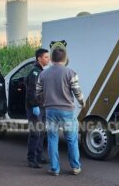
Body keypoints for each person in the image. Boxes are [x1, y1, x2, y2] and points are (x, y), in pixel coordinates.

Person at [36, 47, 84, 176]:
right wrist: (82, 103)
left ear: (51, 59)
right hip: (67, 111)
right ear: (65, 59)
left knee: (52, 139)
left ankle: (54, 168)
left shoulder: (43, 74)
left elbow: (38, 93)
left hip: (50, 111)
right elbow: (77, 92)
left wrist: (43, 104)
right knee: (71, 139)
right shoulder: (71, 73)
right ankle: (75, 167)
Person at [25, 48, 50, 169]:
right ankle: (31, 159)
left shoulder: (41, 71)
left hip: (42, 107)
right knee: (35, 133)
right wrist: (35, 105)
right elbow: (31, 91)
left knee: (41, 132)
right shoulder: (35, 72)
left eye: (48, 57)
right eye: (46, 57)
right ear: (39, 58)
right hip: (35, 107)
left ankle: (39, 155)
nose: (48, 59)